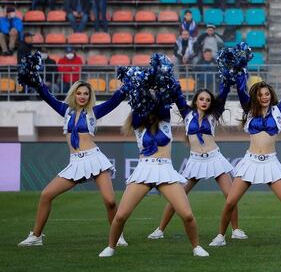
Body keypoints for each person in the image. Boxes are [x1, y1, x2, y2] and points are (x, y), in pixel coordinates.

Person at [17, 79, 127, 248]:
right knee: (46, 195)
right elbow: (47, 96)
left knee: (110, 201)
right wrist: (36, 82)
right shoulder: (65, 111)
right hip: (75, 163)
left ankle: (118, 236)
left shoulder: (94, 112)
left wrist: (126, 86)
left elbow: (114, 101)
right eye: (79, 93)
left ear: (90, 97)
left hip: (94, 159)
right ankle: (36, 236)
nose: (82, 96)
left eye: (86, 94)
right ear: (74, 94)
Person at [211, 71, 281, 247]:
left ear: (271, 95)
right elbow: (241, 90)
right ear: (256, 97)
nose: (264, 97)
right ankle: (220, 236)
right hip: (250, 161)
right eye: (261, 95)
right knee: (231, 201)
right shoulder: (249, 111)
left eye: (267, 94)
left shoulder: (278, 110)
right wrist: (240, 71)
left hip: (270, 162)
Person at [100, 107, 208, 258]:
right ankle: (110, 247)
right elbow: (138, 107)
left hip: (165, 169)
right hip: (144, 169)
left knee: (187, 215)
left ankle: (196, 247)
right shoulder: (138, 121)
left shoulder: (165, 118)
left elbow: (163, 104)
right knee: (120, 216)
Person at [148, 83, 248, 242]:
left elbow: (223, 95)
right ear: (195, 101)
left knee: (230, 197)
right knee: (177, 196)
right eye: (201, 99)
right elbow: (178, 95)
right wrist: (167, 80)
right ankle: (160, 229)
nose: (205, 102)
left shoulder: (213, 115)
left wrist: (227, 80)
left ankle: (236, 229)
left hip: (215, 159)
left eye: (208, 100)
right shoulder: (187, 114)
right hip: (195, 160)